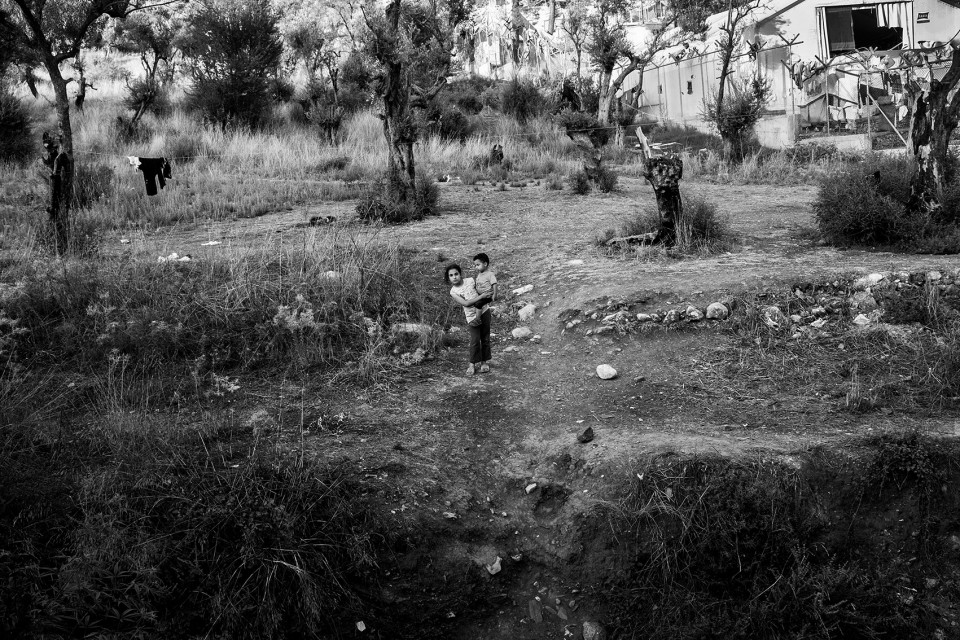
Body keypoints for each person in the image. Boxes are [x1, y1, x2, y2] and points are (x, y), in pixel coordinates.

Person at [446, 263, 494, 375]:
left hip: (484, 311)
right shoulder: (453, 291)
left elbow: (481, 290)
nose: (454, 277)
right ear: (448, 278)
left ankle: (484, 362)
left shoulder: (471, 280)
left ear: (460, 274)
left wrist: (487, 292)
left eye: (456, 274)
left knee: (485, 338)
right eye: (451, 275)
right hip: (471, 317)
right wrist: (481, 297)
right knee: (475, 340)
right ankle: (472, 363)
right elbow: (466, 303)